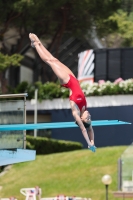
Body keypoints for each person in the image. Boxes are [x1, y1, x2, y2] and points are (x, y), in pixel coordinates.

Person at [29, 33, 96, 152]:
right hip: (73, 78)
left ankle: (36, 44)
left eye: (88, 118)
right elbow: (90, 129)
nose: (89, 115)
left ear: (81, 119)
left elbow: (84, 130)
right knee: (55, 60)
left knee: (50, 61)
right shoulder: (84, 108)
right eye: (90, 118)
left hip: (67, 81)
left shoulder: (75, 110)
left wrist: (88, 144)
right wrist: (93, 142)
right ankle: (38, 44)